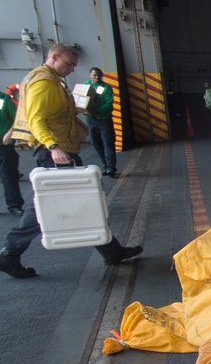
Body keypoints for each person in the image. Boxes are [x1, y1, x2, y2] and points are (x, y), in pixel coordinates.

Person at [0, 44, 142, 279]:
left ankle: (111, 251)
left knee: (80, 202)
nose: (71, 68)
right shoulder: (43, 83)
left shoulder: (53, 80)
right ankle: (10, 252)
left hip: (61, 150)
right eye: (68, 63)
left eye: (74, 65)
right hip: (56, 152)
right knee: (45, 208)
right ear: (53, 57)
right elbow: (36, 118)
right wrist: (53, 147)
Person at [84, 67, 117, 178]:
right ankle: (105, 165)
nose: (97, 77)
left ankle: (111, 167)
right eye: (94, 75)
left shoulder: (106, 88)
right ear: (90, 75)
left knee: (107, 142)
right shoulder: (85, 86)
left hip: (104, 119)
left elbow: (109, 103)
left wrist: (96, 111)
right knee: (95, 142)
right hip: (91, 120)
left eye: (99, 75)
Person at [0, 88, 24, 216]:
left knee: (8, 176)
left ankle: (14, 205)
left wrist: (10, 132)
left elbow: (17, 118)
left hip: (4, 145)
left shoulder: (4, 99)